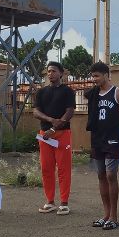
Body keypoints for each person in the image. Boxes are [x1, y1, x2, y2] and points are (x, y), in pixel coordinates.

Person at [85, 61, 119, 230]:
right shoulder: (94, 94)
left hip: (113, 140)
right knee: (101, 175)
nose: (94, 79)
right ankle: (106, 214)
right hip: (97, 139)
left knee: (111, 175)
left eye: (96, 76)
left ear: (106, 75)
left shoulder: (118, 94)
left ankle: (114, 216)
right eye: (92, 76)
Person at [33, 61, 75, 215]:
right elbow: (36, 112)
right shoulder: (42, 92)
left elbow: (70, 112)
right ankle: (50, 202)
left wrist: (55, 127)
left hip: (62, 134)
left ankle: (64, 203)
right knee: (46, 168)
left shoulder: (67, 91)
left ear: (61, 73)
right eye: (49, 71)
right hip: (45, 136)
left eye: (54, 71)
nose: (50, 74)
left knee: (64, 169)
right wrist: (50, 122)